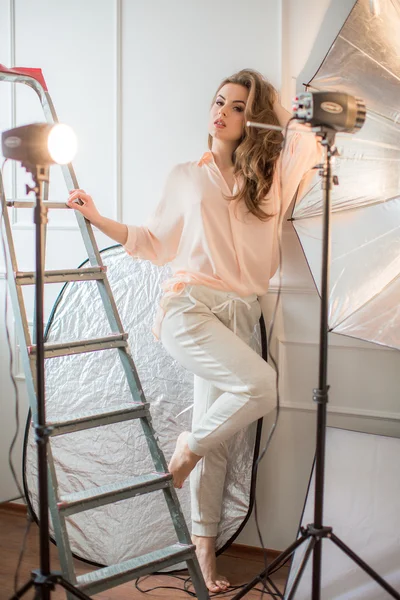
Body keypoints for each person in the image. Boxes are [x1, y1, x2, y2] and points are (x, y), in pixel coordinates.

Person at [67, 68, 321, 594]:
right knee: (262, 388)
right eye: (219, 101)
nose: (221, 112)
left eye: (236, 106)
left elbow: (311, 143)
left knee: (218, 440)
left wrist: (290, 119)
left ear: (253, 119)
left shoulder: (269, 176)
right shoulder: (187, 175)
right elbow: (154, 242)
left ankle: (201, 555)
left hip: (239, 315)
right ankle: (187, 448)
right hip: (188, 310)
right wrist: (97, 217)